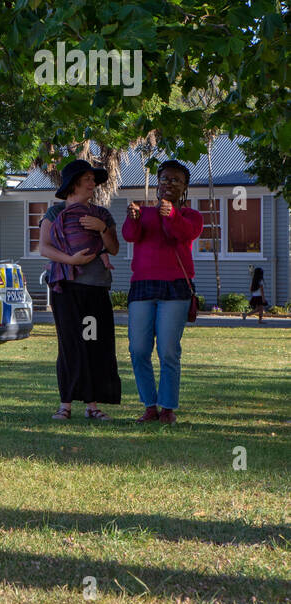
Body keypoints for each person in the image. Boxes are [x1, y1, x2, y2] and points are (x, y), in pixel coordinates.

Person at [122, 160, 204, 425]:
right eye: (165, 179)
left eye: (176, 180)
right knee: (138, 349)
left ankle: (167, 408)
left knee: (169, 350)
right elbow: (130, 236)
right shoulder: (144, 212)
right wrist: (132, 218)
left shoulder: (192, 216)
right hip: (143, 286)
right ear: (158, 184)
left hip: (175, 287)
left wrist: (170, 214)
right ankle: (149, 406)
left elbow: (180, 233)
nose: (169, 184)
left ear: (184, 187)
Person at [39, 159, 121, 421]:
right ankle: (65, 405)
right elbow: (45, 248)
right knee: (71, 345)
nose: (92, 183)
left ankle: (93, 406)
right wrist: (71, 261)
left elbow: (114, 248)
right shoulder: (54, 214)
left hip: (95, 289)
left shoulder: (102, 214)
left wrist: (103, 229)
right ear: (73, 183)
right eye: (87, 179)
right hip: (67, 289)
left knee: (94, 343)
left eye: (93, 179)